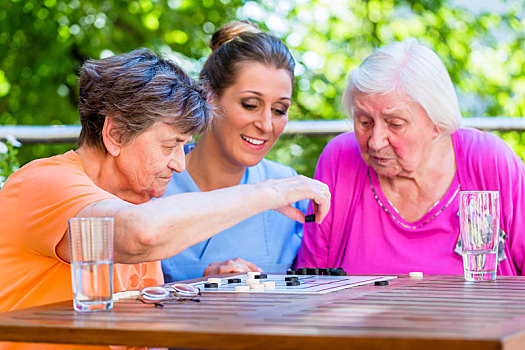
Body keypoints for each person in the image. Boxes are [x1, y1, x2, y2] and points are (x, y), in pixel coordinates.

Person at [0, 48, 330, 316]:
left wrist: (203, 286)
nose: (179, 163)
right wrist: (270, 191)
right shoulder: (43, 183)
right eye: (170, 145)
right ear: (115, 134)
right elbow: (139, 233)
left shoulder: (138, 201)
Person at [297, 38, 525, 275]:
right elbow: (311, 280)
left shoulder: (488, 161)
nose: (375, 141)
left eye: (395, 124)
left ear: (438, 123)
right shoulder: (340, 158)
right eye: (364, 121)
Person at [161, 21, 309, 282]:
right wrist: (197, 286)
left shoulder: (290, 191)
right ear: (209, 96)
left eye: (279, 110)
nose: (266, 125)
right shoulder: (153, 183)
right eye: (250, 104)